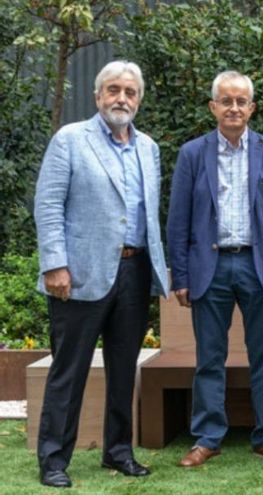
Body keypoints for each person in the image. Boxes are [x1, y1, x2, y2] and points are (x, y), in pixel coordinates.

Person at [33, 60, 169, 488]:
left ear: (140, 99)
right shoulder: (70, 140)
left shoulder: (148, 147)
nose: (121, 99)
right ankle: (54, 459)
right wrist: (55, 264)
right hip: (78, 274)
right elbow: (48, 205)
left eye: (130, 92)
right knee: (68, 371)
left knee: (124, 368)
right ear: (97, 96)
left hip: (135, 271)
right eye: (113, 90)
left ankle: (118, 452)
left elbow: (149, 214)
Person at [166, 71, 263, 467]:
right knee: (209, 357)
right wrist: (181, 276)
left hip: (260, 266)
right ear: (213, 107)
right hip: (211, 266)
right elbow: (178, 220)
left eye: (242, 101)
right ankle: (207, 437)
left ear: (252, 108)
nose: (234, 108)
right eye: (226, 101)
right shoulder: (193, 154)